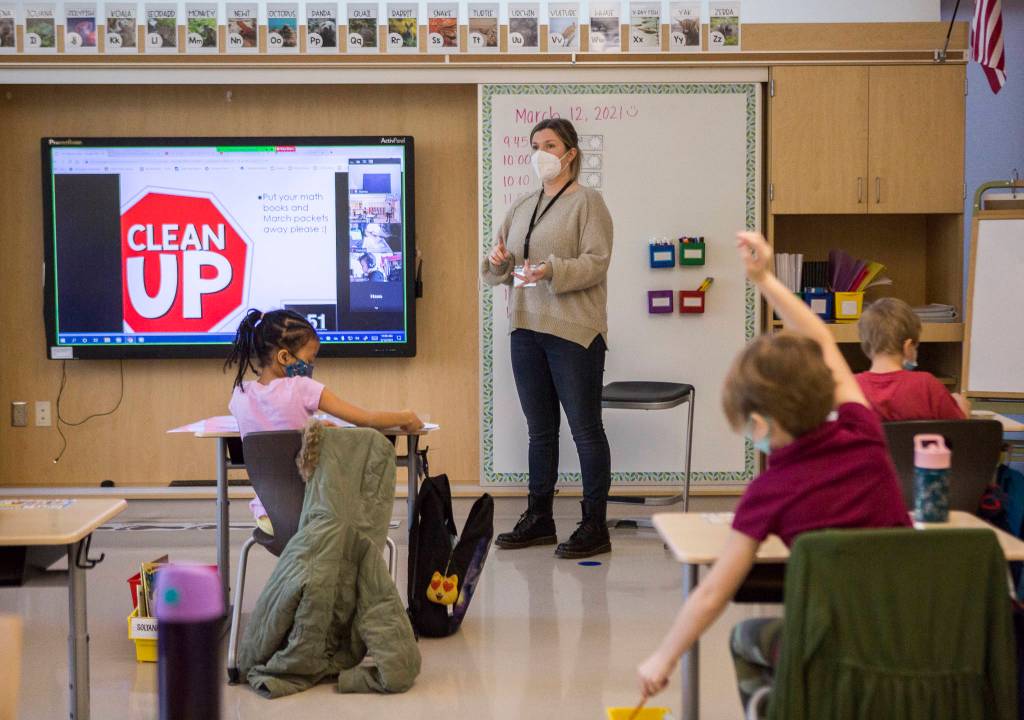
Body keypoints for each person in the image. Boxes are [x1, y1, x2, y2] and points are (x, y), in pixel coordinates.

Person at [636, 232, 911, 717]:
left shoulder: (769, 491)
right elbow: (822, 339)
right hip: (912, 642)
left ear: (761, 425)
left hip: (831, 658)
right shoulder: (863, 430)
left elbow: (712, 593)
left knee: (747, 638)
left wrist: (663, 657)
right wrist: (763, 279)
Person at [480, 117, 614, 559]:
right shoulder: (522, 205)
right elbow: (500, 270)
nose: (541, 152)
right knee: (541, 432)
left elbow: (596, 261)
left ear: (570, 153)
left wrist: (553, 268)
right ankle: (539, 519)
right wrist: (498, 259)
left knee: (585, 430)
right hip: (526, 328)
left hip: (573, 332)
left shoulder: (588, 202)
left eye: (550, 144)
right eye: (535, 144)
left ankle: (594, 525)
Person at [225, 308, 422, 534]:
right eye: (310, 359)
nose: (311, 366)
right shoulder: (301, 387)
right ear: (284, 357)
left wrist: (315, 431)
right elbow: (365, 419)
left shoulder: (239, 395)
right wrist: (406, 416)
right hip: (314, 513)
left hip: (269, 519)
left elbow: (273, 431)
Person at [855, 297, 969, 421]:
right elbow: (958, 431)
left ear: (866, 347)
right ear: (908, 346)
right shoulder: (927, 385)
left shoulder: (850, 387)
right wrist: (962, 409)